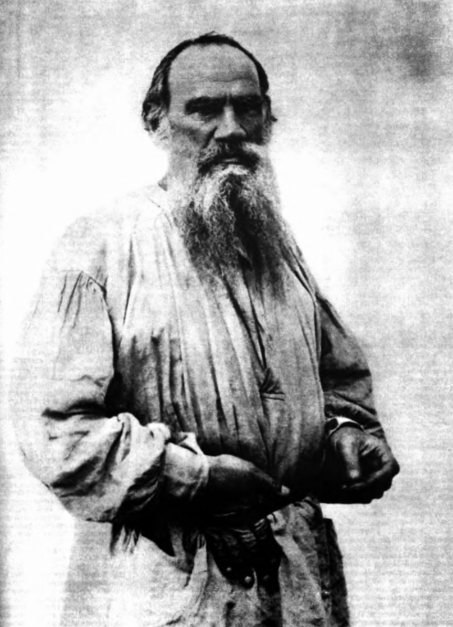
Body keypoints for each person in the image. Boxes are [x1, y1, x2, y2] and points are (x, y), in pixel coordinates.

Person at [11, 32, 399, 627]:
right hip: (162, 585)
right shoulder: (100, 246)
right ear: (157, 122)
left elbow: (337, 384)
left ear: (269, 119)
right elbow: (57, 432)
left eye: (248, 108)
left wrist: (343, 438)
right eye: (204, 109)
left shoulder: (277, 248)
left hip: (293, 584)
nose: (231, 129)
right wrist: (196, 477)